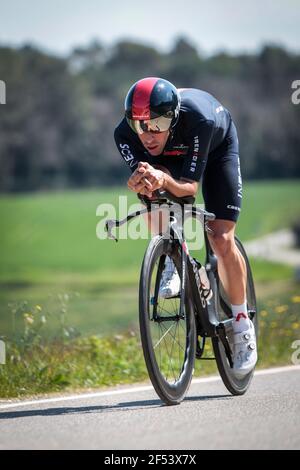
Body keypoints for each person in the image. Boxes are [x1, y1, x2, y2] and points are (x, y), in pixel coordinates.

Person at [114, 77, 257, 377]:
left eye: (156, 125)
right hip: (172, 156)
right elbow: (151, 181)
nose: (147, 135)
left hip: (216, 148)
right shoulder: (125, 135)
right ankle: (174, 262)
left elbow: (190, 189)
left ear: (173, 117)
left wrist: (164, 179)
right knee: (151, 193)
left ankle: (242, 324)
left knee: (219, 236)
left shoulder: (198, 120)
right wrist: (143, 181)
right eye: (140, 125)